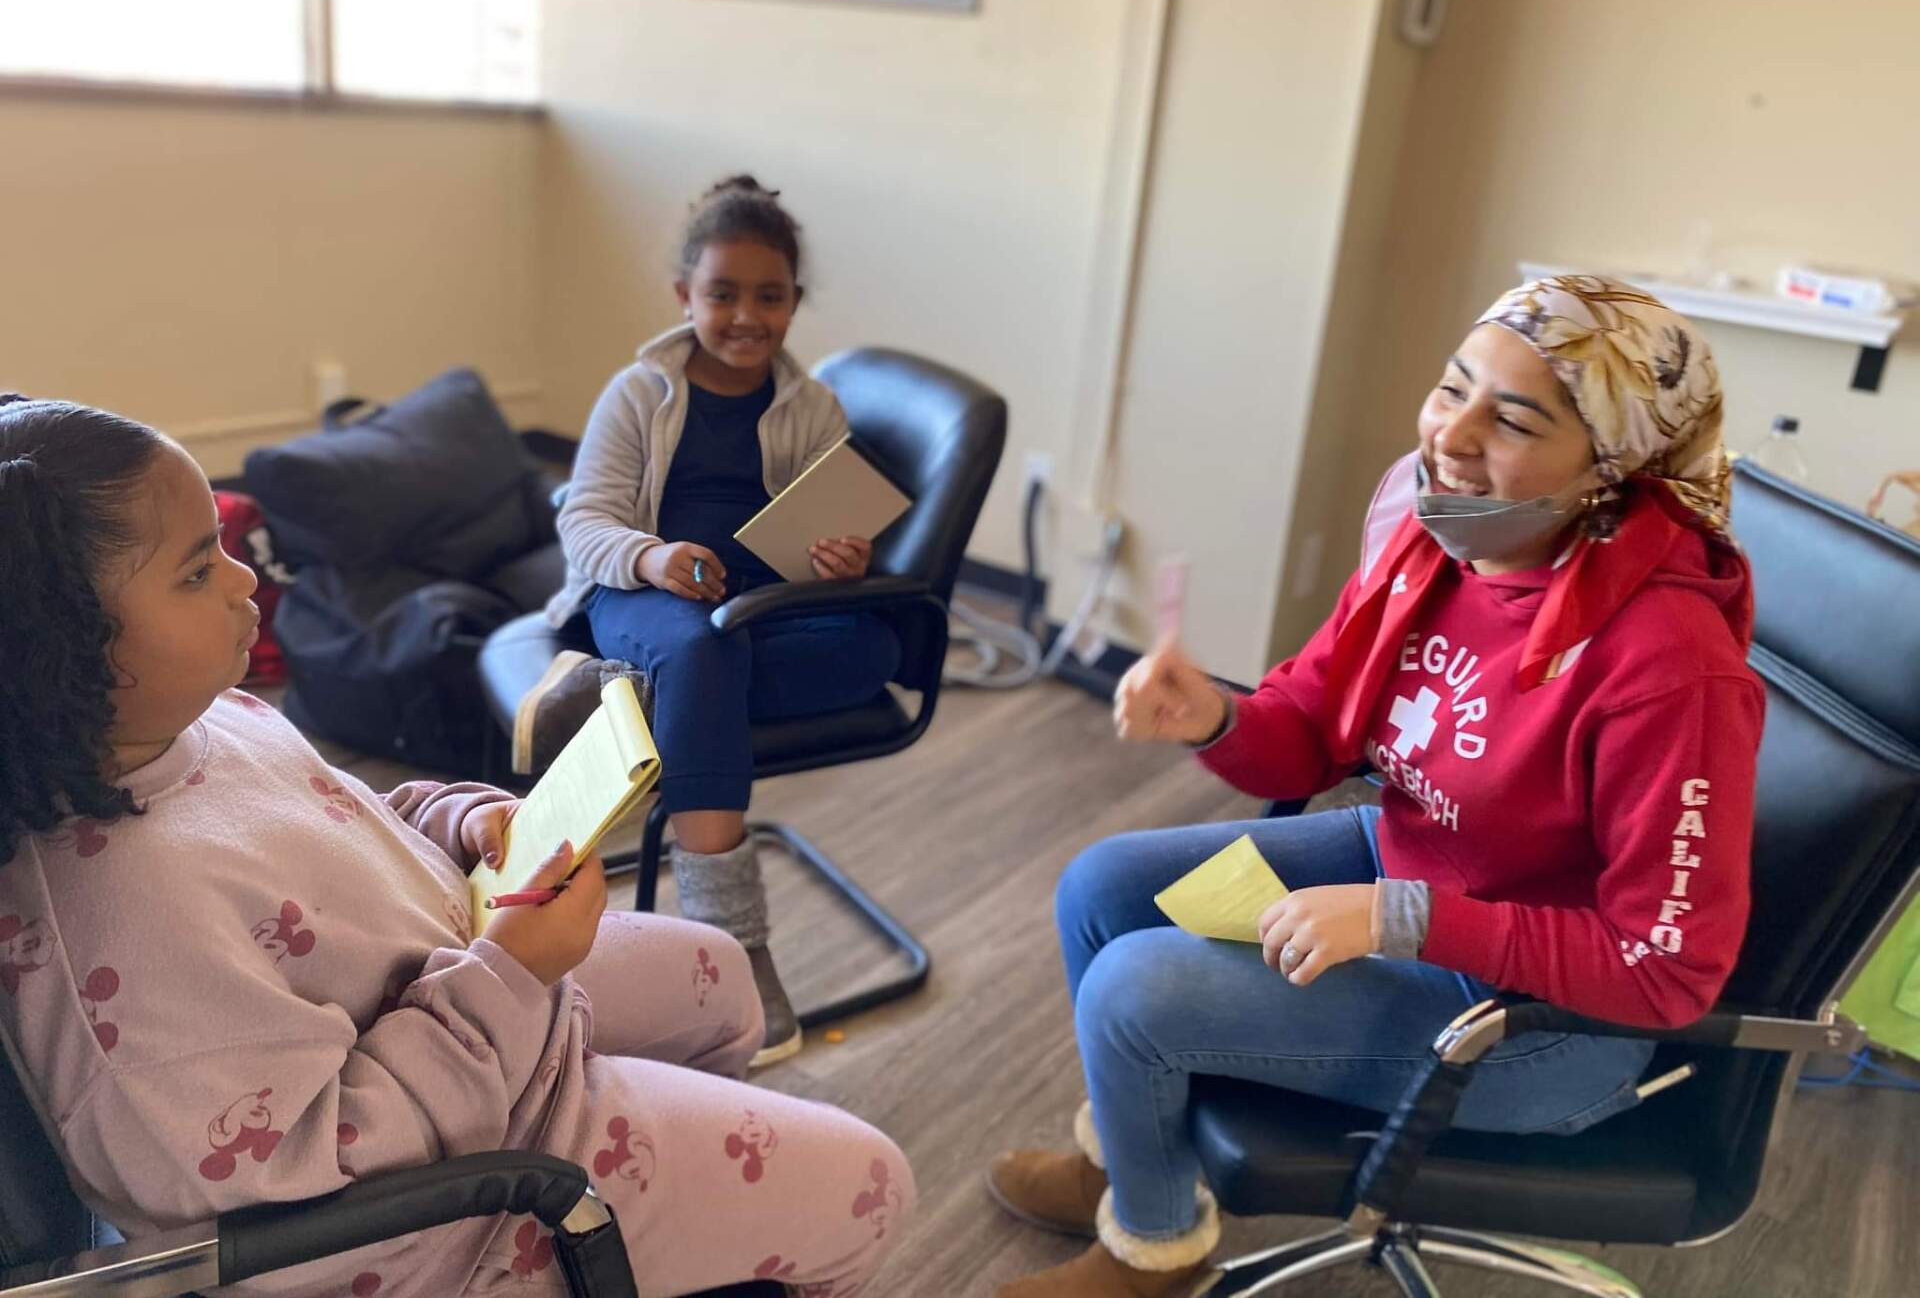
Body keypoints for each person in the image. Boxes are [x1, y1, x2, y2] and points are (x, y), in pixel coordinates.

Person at [0, 395, 914, 1298]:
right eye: (199, 571)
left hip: (475, 1006)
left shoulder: (201, 718)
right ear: (61, 647)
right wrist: (510, 979)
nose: (247, 581)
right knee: (875, 1189)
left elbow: (343, 819)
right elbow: (303, 1201)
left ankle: (677, 1235)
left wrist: (453, 821)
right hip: (470, 1207)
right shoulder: (127, 939)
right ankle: (636, 1227)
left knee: (721, 978)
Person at [987, 276, 1763, 1297]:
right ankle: (1134, 1167)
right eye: (1453, 388)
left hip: (1536, 1026)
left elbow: (1666, 972)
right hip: (1427, 870)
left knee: (1139, 989)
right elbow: (1310, 735)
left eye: (1514, 419)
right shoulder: (1441, 536)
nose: (1453, 434)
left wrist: (1402, 917)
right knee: (1103, 886)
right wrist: (1216, 716)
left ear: (1612, 469)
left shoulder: (1669, 666)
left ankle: (1150, 1251)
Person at [519, 176, 901, 1068]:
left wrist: (841, 560)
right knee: (700, 650)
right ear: (683, 296)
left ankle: (639, 695)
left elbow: (825, 533)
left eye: (769, 297)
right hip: (644, 592)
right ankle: (736, 941)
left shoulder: (815, 410)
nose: (745, 316)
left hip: (756, 606)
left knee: (871, 645)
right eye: (722, 294)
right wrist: (653, 559)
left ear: (794, 303)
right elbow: (585, 522)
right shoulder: (636, 394)